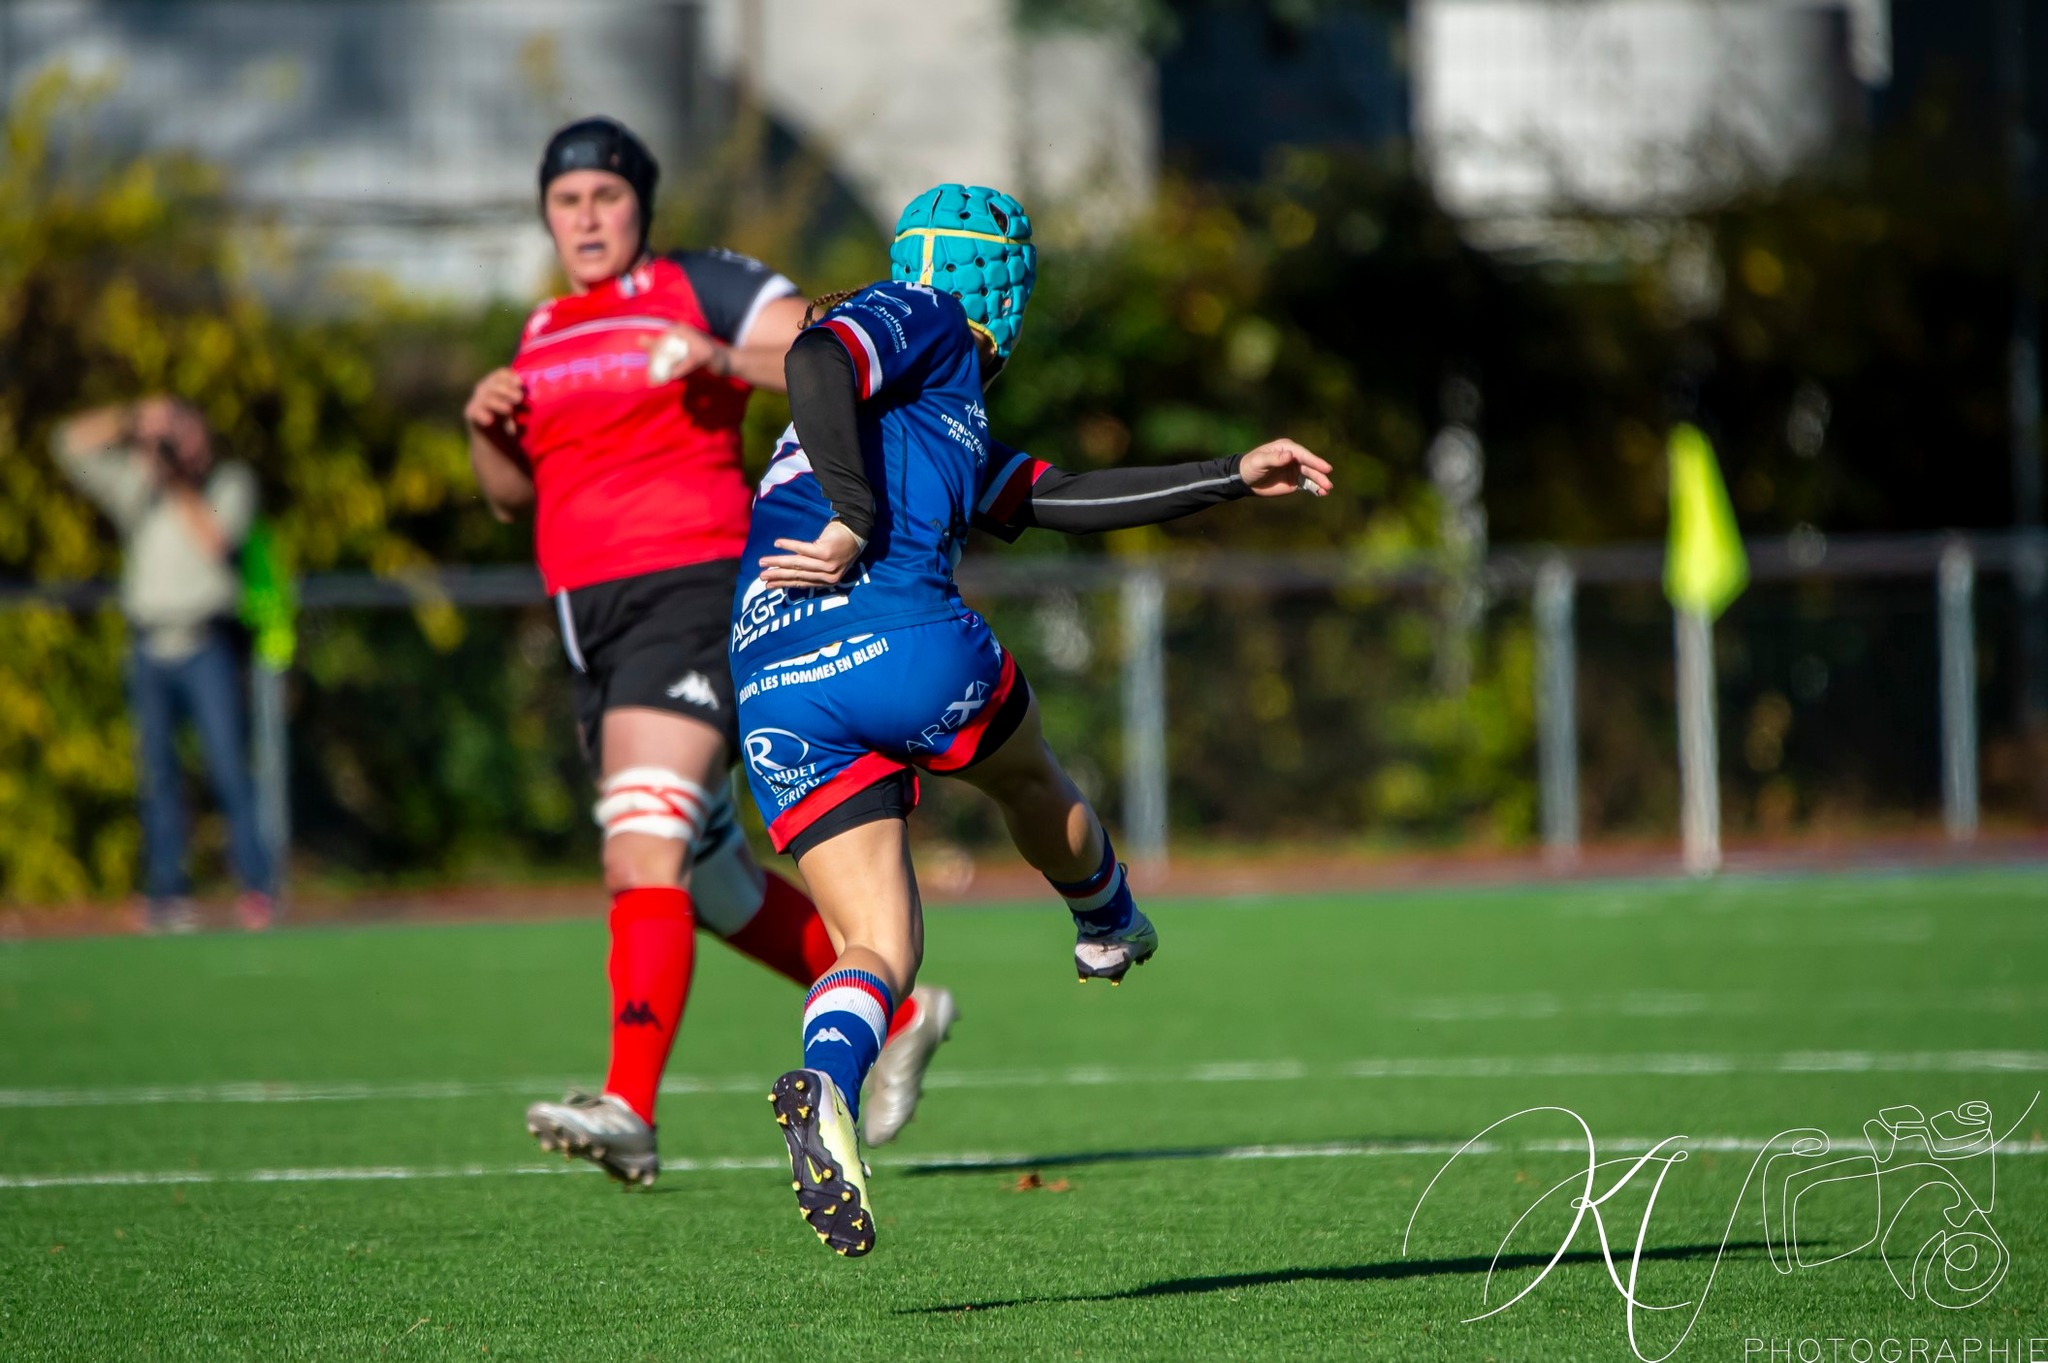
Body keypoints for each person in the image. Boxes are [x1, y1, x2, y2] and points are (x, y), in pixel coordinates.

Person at [731, 184, 1333, 1255]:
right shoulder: (921, 318)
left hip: (772, 687)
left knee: (879, 945)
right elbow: (815, 355)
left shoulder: (933, 420)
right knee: (1024, 771)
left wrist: (1230, 477)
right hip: (897, 638)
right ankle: (1105, 918)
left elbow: (1068, 497)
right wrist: (855, 524)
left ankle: (825, 1085)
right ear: (998, 284)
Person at [461, 117, 956, 1187]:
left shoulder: (701, 283)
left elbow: (822, 346)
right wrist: (486, 426)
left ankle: (628, 1104)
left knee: (639, 848)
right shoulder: (544, 327)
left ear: (640, 204)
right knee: (714, 881)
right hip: (589, 626)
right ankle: (899, 1005)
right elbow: (508, 500)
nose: (586, 217)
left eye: (606, 196)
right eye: (566, 201)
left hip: (687, 598)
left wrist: (720, 355)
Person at [55, 397, 276, 933]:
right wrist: (133, 421)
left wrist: (178, 482)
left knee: (227, 766)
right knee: (157, 776)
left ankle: (257, 887)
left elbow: (217, 540)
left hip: (206, 644)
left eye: (187, 433)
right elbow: (66, 443)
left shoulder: (227, 483)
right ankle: (167, 892)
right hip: (148, 646)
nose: (179, 443)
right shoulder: (140, 483)